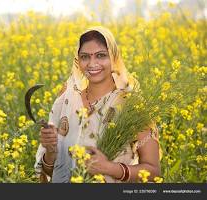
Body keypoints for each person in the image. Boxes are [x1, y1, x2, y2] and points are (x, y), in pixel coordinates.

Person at [34, 26, 161, 183]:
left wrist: (109, 168)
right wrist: (51, 152)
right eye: (85, 57)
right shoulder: (65, 102)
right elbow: (50, 172)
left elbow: (153, 171)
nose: (92, 64)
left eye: (101, 56)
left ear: (113, 58)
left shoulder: (132, 105)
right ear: (77, 60)